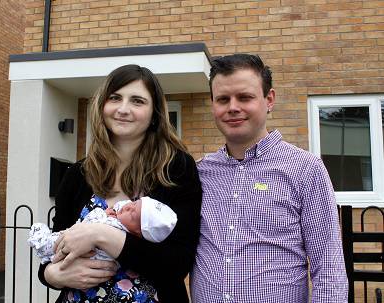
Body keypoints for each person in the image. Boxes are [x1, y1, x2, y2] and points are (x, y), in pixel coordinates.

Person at [190, 54, 348, 302]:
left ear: (269, 99)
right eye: (223, 99)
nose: (232, 107)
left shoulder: (305, 169)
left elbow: (328, 267)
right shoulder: (199, 173)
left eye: (245, 97)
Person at [39, 64, 202, 303]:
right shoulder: (78, 174)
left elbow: (177, 264)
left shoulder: (176, 169)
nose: (123, 109)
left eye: (137, 101)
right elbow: (53, 249)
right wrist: (52, 275)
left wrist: (101, 235)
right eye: (115, 98)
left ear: (154, 113)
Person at [28, 196, 178, 263]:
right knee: (60, 239)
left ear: (138, 232)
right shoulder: (77, 174)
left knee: (57, 243)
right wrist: (51, 275)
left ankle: (42, 243)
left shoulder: (119, 228)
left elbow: (91, 225)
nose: (128, 207)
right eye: (134, 203)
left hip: (88, 257)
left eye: (133, 214)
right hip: (69, 260)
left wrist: (102, 215)